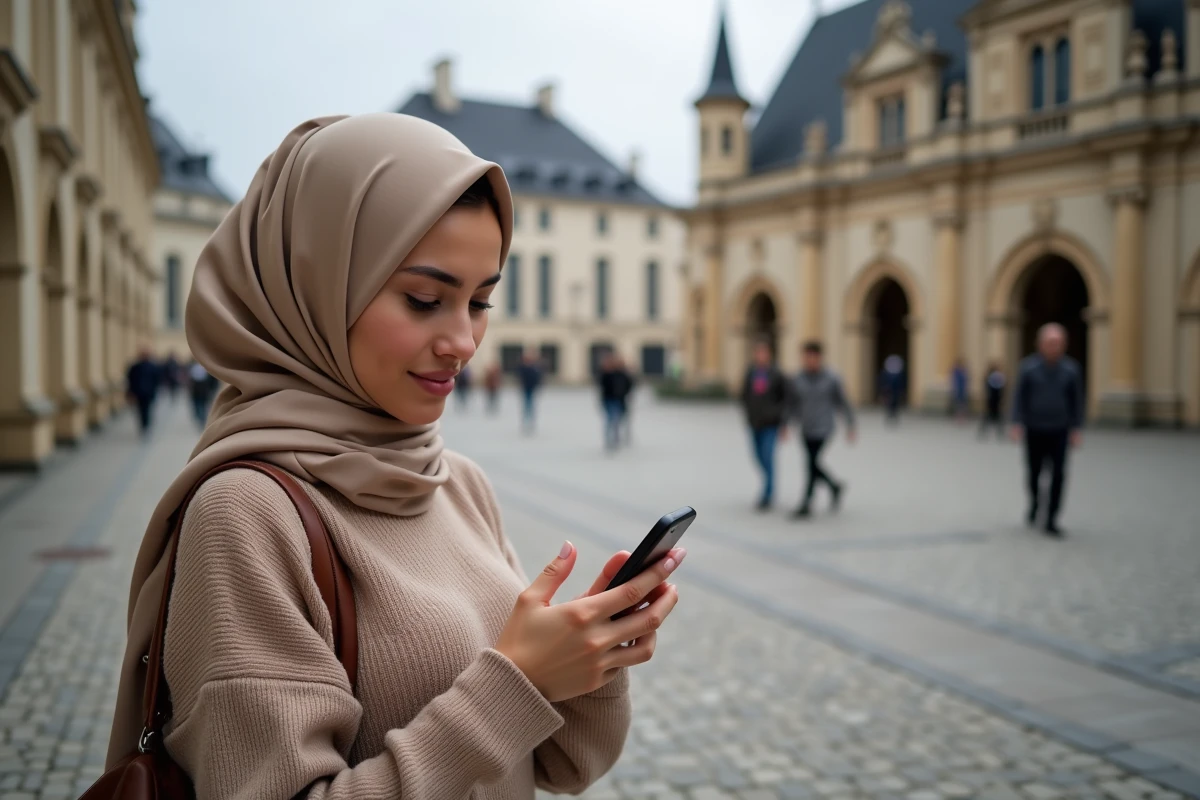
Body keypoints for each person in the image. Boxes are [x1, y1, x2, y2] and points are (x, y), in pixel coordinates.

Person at [106, 115, 684, 799]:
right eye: (425, 299)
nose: (464, 341)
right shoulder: (247, 512)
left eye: (480, 302)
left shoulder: (456, 480)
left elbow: (564, 764)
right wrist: (516, 681)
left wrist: (585, 662)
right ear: (316, 285)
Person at [1011, 323, 1083, 537]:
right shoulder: (1028, 368)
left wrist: (1076, 428)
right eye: (1051, 343)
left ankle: (1052, 518)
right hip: (1034, 428)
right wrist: (1016, 423)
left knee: (1058, 475)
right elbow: (1019, 397)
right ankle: (1035, 503)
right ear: (1040, 344)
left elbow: (1077, 401)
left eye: (1059, 343)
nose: (1055, 347)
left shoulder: (1071, 370)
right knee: (1034, 473)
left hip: (1060, 430)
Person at [787, 340, 856, 518]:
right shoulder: (798, 378)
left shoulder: (832, 378)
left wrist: (851, 425)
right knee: (812, 464)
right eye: (805, 357)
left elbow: (843, 402)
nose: (808, 361)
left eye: (812, 357)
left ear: (819, 358)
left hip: (824, 428)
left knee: (810, 464)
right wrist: (785, 424)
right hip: (806, 428)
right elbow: (793, 404)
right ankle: (834, 486)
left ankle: (806, 504)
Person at [739, 340, 789, 511]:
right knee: (758, 457)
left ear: (769, 354)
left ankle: (767, 494)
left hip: (771, 424)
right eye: (758, 352)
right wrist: (747, 413)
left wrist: (782, 422)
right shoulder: (751, 372)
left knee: (768, 457)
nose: (760, 356)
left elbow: (785, 398)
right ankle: (768, 483)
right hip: (754, 423)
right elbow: (744, 394)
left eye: (764, 352)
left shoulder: (777, 374)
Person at [598, 353, 634, 451]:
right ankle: (610, 440)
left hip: (619, 400)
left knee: (616, 420)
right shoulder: (605, 374)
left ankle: (615, 439)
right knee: (611, 420)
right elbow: (602, 387)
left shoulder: (621, 374)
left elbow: (629, 385)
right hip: (609, 400)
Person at [125, 346, 160, 438]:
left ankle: (146, 426)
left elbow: (157, 380)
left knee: (147, 410)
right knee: (140, 410)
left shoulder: (152, 367)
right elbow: (130, 380)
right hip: (139, 393)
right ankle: (143, 426)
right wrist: (130, 393)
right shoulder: (135, 367)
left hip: (148, 393)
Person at [186, 359, 219, 429]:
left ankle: (201, 418)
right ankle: (200, 417)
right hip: (197, 392)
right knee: (198, 405)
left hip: (203, 392)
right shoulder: (193, 368)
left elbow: (212, 381)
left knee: (201, 405)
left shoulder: (206, 369)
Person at [978, 362, 1007, 440]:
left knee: (990, 417)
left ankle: (984, 431)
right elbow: (1002, 389)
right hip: (995, 400)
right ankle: (1000, 432)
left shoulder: (990, 377)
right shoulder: (997, 377)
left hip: (991, 400)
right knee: (996, 417)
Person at [517, 350, 543, 434]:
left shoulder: (534, 367)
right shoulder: (524, 367)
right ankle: (526, 421)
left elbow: (538, 377)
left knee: (530, 405)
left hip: (531, 388)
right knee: (526, 405)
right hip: (526, 388)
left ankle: (530, 421)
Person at [879, 354, 905, 425]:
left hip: (896, 392)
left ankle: (894, 415)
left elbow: (901, 382)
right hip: (888, 391)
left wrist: (901, 391)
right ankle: (889, 415)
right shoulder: (886, 372)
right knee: (888, 405)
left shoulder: (899, 373)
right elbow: (882, 381)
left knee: (895, 405)